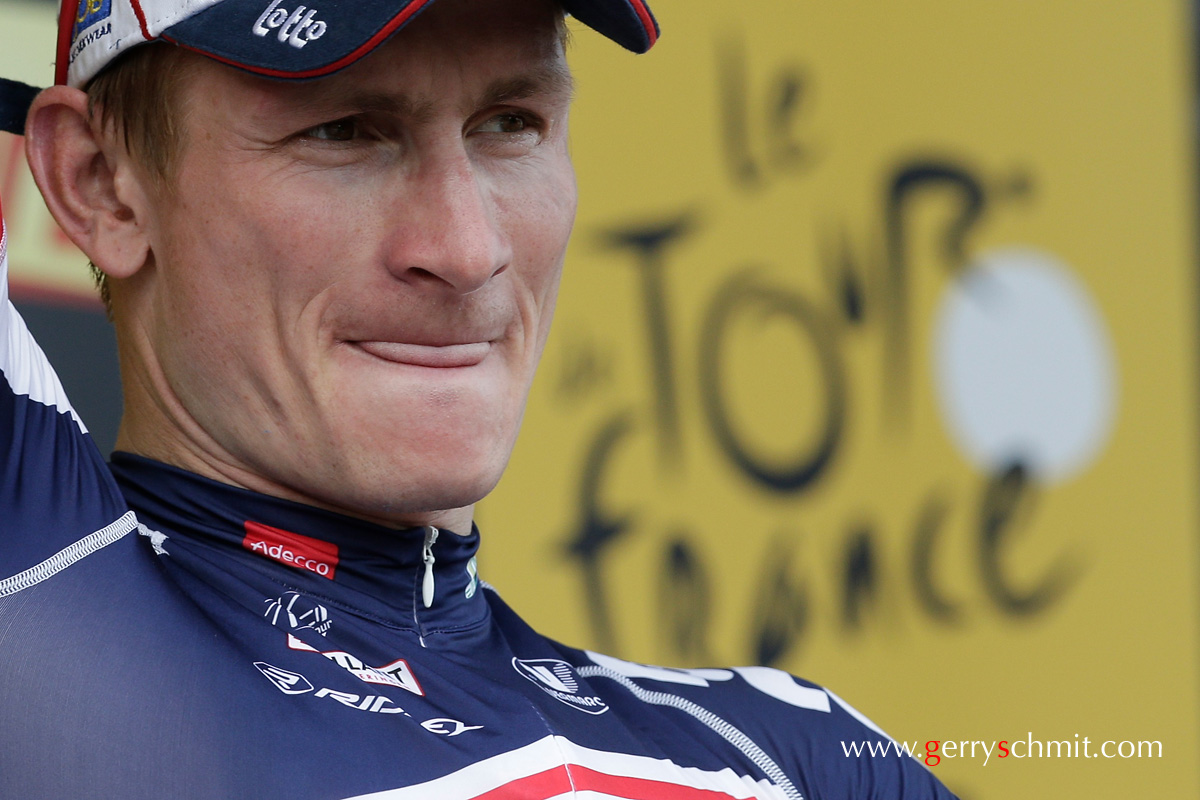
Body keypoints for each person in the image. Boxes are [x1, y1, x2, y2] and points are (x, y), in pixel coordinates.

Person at [0, 1, 957, 797]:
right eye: (344, 131)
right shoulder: (38, 603)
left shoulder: (802, 761)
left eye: (510, 123)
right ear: (100, 186)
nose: (467, 250)